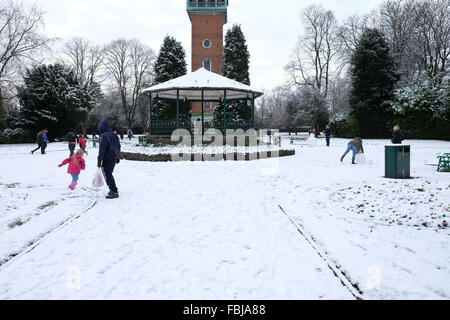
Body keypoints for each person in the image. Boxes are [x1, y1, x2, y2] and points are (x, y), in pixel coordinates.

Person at [97, 119, 121, 199]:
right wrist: (117, 156)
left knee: (108, 174)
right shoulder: (114, 135)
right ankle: (112, 189)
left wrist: (99, 159)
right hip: (113, 157)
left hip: (107, 158)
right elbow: (118, 146)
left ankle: (114, 191)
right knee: (109, 173)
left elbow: (102, 149)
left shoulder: (103, 136)